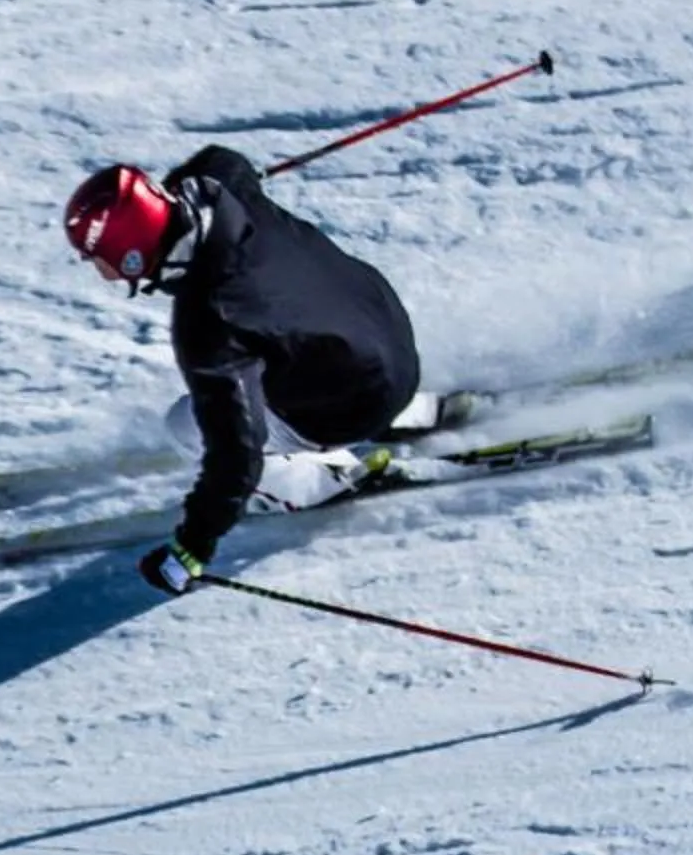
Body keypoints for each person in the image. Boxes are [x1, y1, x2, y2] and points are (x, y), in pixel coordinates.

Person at [61, 146, 438, 595]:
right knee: (287, 337)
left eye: (94, 254)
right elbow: (225, 159)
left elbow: (236, 453)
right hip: (387, 332)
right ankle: (406, 409)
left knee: (186, 425)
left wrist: (192, 548)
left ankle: (321, 482)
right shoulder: (224, 188)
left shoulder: (210, 317)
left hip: (356, 403)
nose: (93, 267)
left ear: (131, 255)